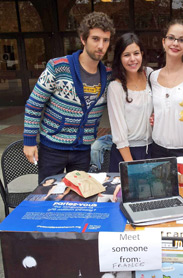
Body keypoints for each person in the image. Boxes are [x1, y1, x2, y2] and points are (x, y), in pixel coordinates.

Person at [23, 12, 115, 183]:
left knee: (78, 197)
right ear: (83, 39)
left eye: (105, 40)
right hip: (52, 148)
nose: (101, 45)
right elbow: (34, 105)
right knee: (48, 196)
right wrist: (29, 141)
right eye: (95, 39)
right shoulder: (58, 67)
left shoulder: (108, 77)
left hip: (83, 151)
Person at [149, 19, 183, 176]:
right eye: (171, 38)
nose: (175, 43)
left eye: (181, 39)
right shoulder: (152, 76)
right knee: (159, 197)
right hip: (157, 149)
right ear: (164, 42)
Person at [107, 33, 153, 172]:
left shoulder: (150, 74)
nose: (132, 59)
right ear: (119, 58)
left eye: (136, 53)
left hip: (150, 149)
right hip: (125, 154)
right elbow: (118, 132)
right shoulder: (115, 87)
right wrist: (131, 166)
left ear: (142, 54)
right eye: (126, 55)